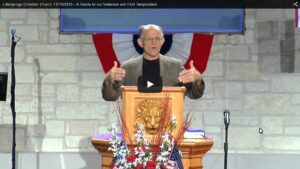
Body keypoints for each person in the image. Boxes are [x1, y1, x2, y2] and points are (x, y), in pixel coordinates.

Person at [102, 24, 205, 101]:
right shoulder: (127, 67)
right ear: (140, 42)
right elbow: (110, 96)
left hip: (168, 126)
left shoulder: (176, 66)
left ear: (162, 41)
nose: (154, 42)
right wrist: (108, 80)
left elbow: (194, 94)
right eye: (149, 39)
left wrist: (198, 79)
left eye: (157, 38)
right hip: (135, 126)